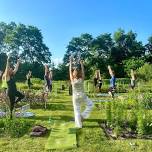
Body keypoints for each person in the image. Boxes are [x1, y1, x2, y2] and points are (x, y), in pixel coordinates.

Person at [69, 57, 94, 128]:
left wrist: (70, 62)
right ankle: (83, 115)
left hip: (75, 97)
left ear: (74, 74)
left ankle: (79, 125)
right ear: (79, 73)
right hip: (82, 95)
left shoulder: (72, 80)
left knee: (77, 110)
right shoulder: (81, 79)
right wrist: (81, 64)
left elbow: (70, 72)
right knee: (91, 105)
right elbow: (83, 71)